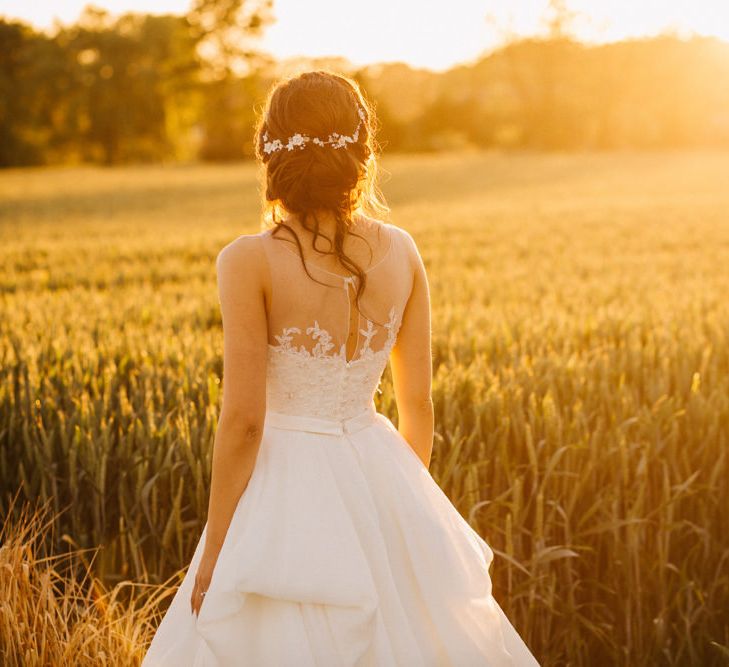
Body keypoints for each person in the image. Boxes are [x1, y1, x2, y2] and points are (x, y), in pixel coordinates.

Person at [142, 69, 540, 666]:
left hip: (283, 482)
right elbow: (419, 406)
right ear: (360, 150)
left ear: (270, 153)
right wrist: (402, 512)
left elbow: (245, 421)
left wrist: (217, 551)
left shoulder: (247, 260)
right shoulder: (402, 249)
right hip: (379, 461)